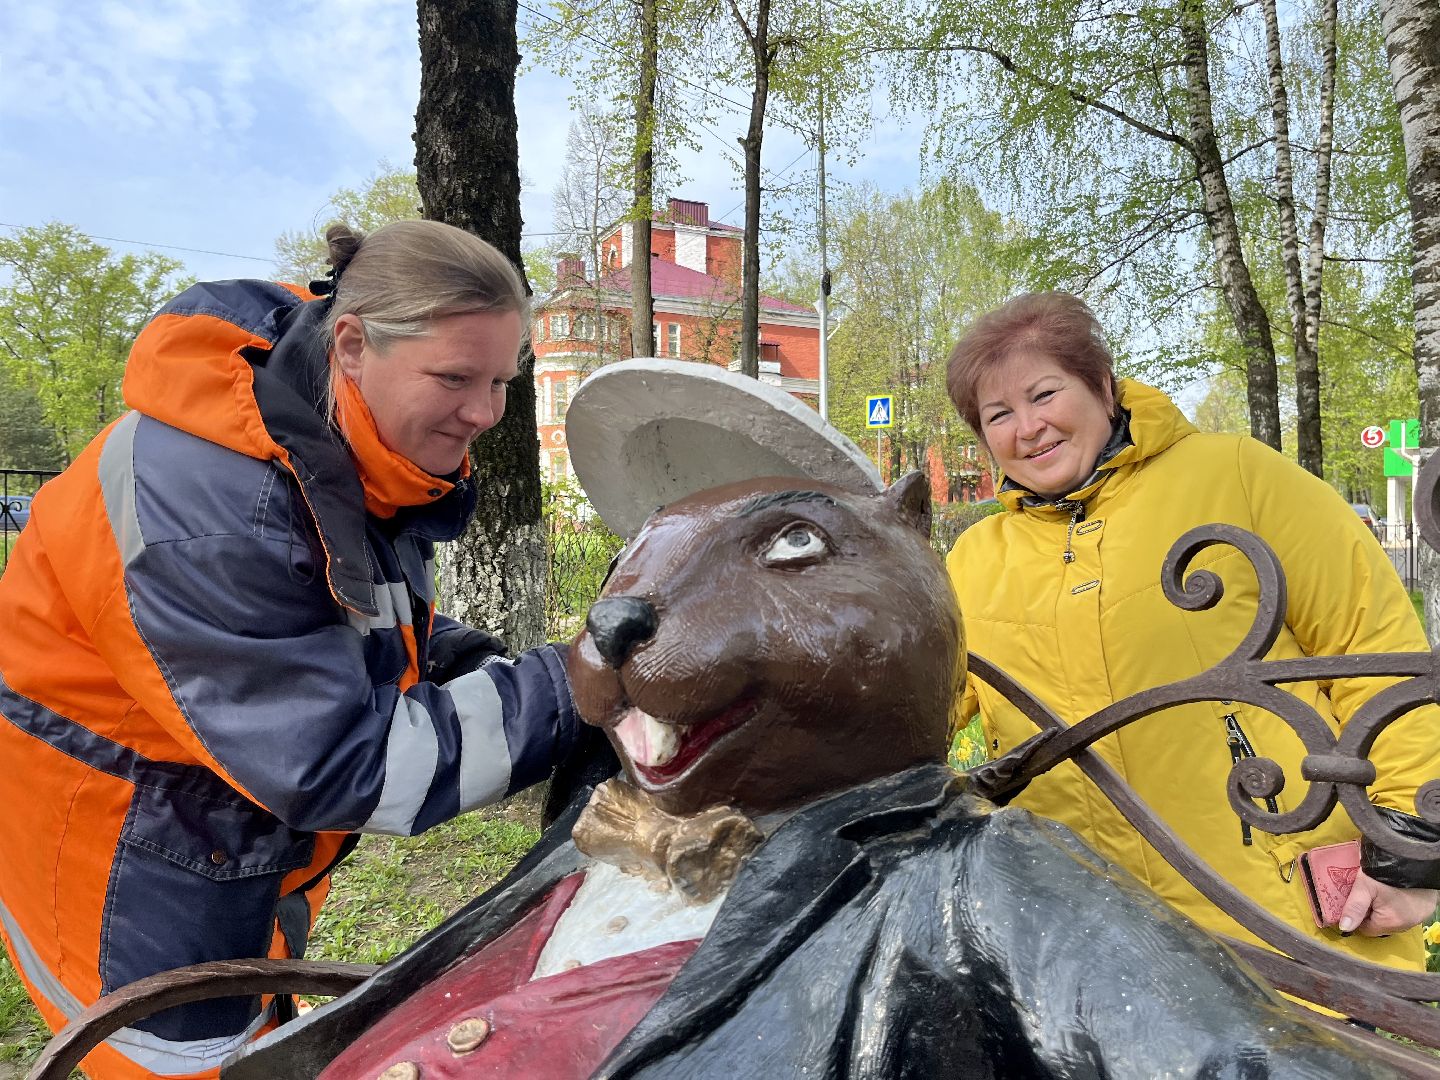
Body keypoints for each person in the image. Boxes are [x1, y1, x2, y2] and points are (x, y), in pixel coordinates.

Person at [0, 220, 579, 1080]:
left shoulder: (328, 435)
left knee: (261, 1024)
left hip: (222, 842)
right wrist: (576, 685)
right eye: (456, 377)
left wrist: (481, 667)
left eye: (500, 380)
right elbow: (340, 765)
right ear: (351, 344)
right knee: (187, 1059)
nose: (486, 413)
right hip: (131, 876)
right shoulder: (216, 506)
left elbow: (354, 625)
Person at [943, 290, 1439, 971]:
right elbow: (911, 714)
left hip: (1276, 922)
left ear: (1104, 388)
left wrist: (1410, 845)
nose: (1027, 428)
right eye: (998, 414)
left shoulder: (1234, 475)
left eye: (1044, 394)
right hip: (1080, 948)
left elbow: (1375, 648)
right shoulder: (974, 559)